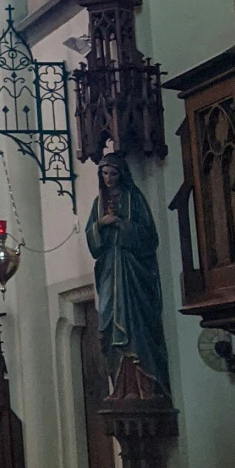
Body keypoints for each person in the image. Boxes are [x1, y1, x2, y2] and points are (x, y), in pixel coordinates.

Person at [84, 145, 171, 394]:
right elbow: (91, 240)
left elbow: (150, 238)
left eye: (113, 174)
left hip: (132, 269)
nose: (108, 179)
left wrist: (122, 224)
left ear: (122, 174)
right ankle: (120, 386)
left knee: (134, 322)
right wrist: (100, 225)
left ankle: (146, 384)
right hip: (109, 268)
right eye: (104, 174)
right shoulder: (97, 204)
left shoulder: (135, 199)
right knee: (109, 323)